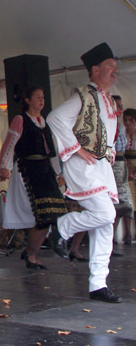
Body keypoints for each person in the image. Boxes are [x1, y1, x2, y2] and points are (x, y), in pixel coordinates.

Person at [47, 42, 122, 303]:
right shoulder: (83, 95)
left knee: (105, 225)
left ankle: (98, 284)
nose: (115, 71)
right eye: (110, 66)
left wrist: (109, 152)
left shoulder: (108, 99)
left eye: (115, 67)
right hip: (84, 165)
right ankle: (62, 226)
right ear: (95, 69)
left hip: (101, 166)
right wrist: (76, 149)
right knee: (105, 214)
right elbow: (55, 118)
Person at [0, 86, 68, 270]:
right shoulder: (21, 120)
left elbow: (51, 151)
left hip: (45, 170)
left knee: (52, 213)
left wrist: (59, 172)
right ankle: (31, 253)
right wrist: (4, 167)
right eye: (37, 97)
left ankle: (32, 252)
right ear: (27, 100)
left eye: (42, 97)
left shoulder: (44, 121)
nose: (41, 100)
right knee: (41, 214)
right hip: (28, 169)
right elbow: (10, 144)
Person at [110, 97, 133, 253]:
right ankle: (109, 241)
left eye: (121, 107)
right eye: (117, 106)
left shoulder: (121, 127)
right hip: (112, 165)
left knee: (125, 204)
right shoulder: (108, 125)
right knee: (115, 203)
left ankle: (126, 235)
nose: (119, 110)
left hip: (121, 164)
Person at [123, 108, 136, 244]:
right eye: (125, 120)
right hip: (125, 167)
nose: (127, 123)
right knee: (127, 202)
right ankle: (127, 233)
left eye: (130, 120)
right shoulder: (122, 134)